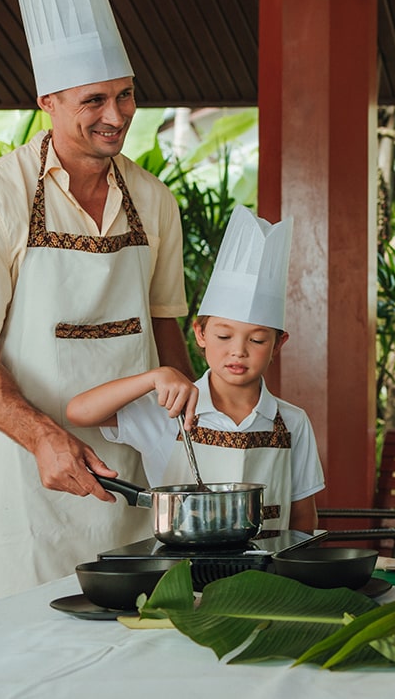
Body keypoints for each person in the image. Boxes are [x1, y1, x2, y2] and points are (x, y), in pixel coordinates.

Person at [0, 0, 192, 606]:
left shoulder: (154, 200)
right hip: (29, 478)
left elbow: (164, 330)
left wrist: (190, 445)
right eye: (93, 101)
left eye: (124, 95)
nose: (115, 115)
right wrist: (45, 438)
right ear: (47, 102)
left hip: (133, 477)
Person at [66, 206, 322, 533]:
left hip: (266, 578)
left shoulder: (293, 423)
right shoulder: (168, 412)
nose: (238, 351)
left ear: (278, 344)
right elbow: (79, 412)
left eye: (257, 340)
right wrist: (153, 377)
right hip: (180, 574)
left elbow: (302, 516)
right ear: (200, 333)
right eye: (224, 336)